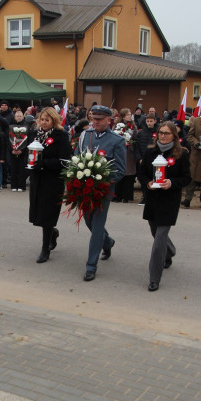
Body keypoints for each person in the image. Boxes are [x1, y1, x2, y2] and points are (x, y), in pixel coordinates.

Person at [137, 121, 191, 291]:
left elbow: (187, 178)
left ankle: (154, 278)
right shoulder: (150, 152)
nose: (163, 136)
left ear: (174, 136)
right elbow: (142, 173)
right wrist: (148, 183)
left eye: (167, 133)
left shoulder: (181, 154)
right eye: (161, 132)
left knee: (159, 239)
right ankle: (170, 252)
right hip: (153, 198)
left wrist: (172, 182)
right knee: (155, 232)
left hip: (169, 200)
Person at [75, 105, 126, 280]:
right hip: (84, 188)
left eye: (99, 119)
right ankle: (108, 242)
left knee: (97, 226)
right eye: (93, 119)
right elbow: (76, 158)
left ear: (108, 120)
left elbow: (120, 170)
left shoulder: (116, 140)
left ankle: (91, 266)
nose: (95, 122)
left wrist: (101, 180)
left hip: (103, 191)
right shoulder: (85, 136)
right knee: (88, 220)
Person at [29, 106, 72, 262]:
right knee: (38, 214)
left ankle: (45, 249)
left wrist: (44, 163)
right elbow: (30, 153)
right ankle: (52, 233)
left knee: (47, 215)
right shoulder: (35, 134)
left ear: (54, 121)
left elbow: (65, 160)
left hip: (52, 181)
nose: (44, 122)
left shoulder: (61, 136)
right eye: (42, 119)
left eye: (47, 120)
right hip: (37, 179)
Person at [9, 108, 32, 192]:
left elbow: (28, 140)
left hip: (23, 152)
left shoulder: (27, 127)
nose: (18, 117)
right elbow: (9, 139)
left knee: (22, 169)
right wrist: (12, 149)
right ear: (15, 117)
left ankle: (21, 186)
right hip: (13, 151)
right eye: (17, 116)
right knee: (13, 169)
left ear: (23, 116)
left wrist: (22, 150)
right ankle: (14, 185)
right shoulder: (11, 126)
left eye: (20, 116)